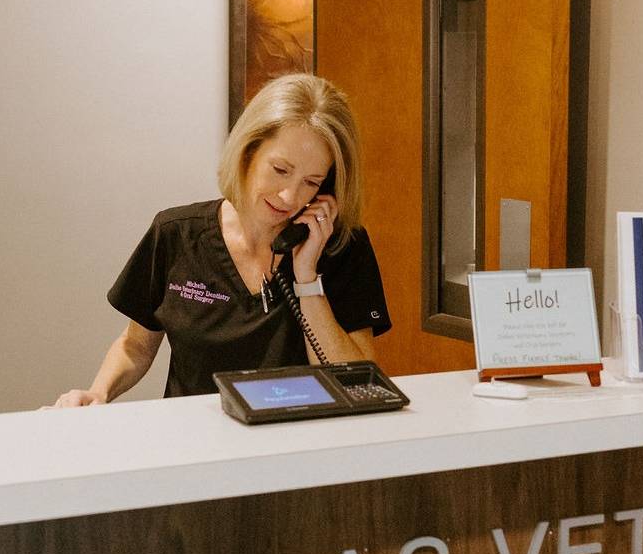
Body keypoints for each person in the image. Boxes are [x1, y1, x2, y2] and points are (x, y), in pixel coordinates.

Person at [54, 73, 391, 405]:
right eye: (280, 170)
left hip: (298, 435)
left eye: (311, 182)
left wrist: (307, 279)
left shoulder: (340, 246)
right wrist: (98, 393)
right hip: (195, 436)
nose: (290, 196)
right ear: (247, 152)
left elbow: (354, 382)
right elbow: (136, 346)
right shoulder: (176, 233)